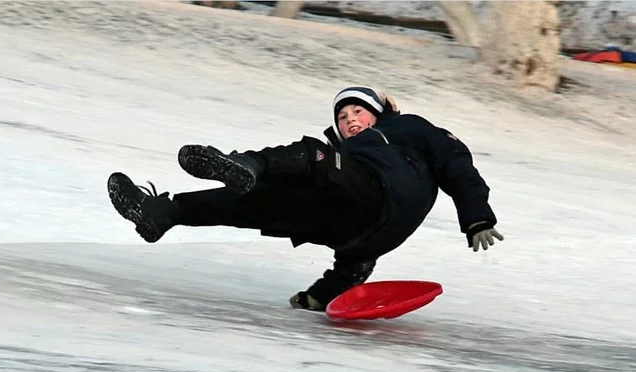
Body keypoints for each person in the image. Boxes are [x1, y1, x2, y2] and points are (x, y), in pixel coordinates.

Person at [107, 86, 504, 311]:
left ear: (379, 112)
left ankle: (244, 164)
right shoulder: (349, 154)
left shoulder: (408, 129)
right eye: (343, 116)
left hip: (381, 193)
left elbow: (458, 166)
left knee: (309, 155)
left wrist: (476, 217)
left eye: (358, 112)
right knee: (259, 201)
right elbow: (358, 253)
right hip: (358, 227)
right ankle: (160, 212)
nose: (350, 119)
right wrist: (322, 296)